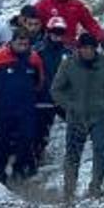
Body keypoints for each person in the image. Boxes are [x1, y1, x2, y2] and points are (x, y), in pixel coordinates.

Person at [51, 34, 104, 199]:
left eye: (91, 48)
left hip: (99, 115)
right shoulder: (68, 64)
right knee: (73, 154)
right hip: (76, 117)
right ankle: (69, 192)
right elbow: (56, 90)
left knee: (100, 151)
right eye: (84, 48)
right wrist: (70, 107)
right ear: (78, 49)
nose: (88, 51)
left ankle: (95, 188)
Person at [0, 29, 46, 184]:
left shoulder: (34, 58)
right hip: (4, 107)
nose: (22, 46)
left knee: (26, 138)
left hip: (26, 107)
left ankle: (18, 170)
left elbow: (40, 81)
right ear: (12, 42)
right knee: (2, 140)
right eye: (19, 42)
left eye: (25, 43)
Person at [34, 0, 104, 48]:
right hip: (48, 44)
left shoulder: (77, 6)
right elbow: (31, 23)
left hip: (69, 45)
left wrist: (101, 36)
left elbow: (90, 23)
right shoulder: (43, 5)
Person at [34, 16, 72, 161]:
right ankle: (36, 161)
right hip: (42, 98)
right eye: (55, 31)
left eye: (60, 32)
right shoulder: (38, 51)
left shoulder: (69, 52)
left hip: (63, 99)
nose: (57, 35)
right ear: (48, 32)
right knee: (40, 134)